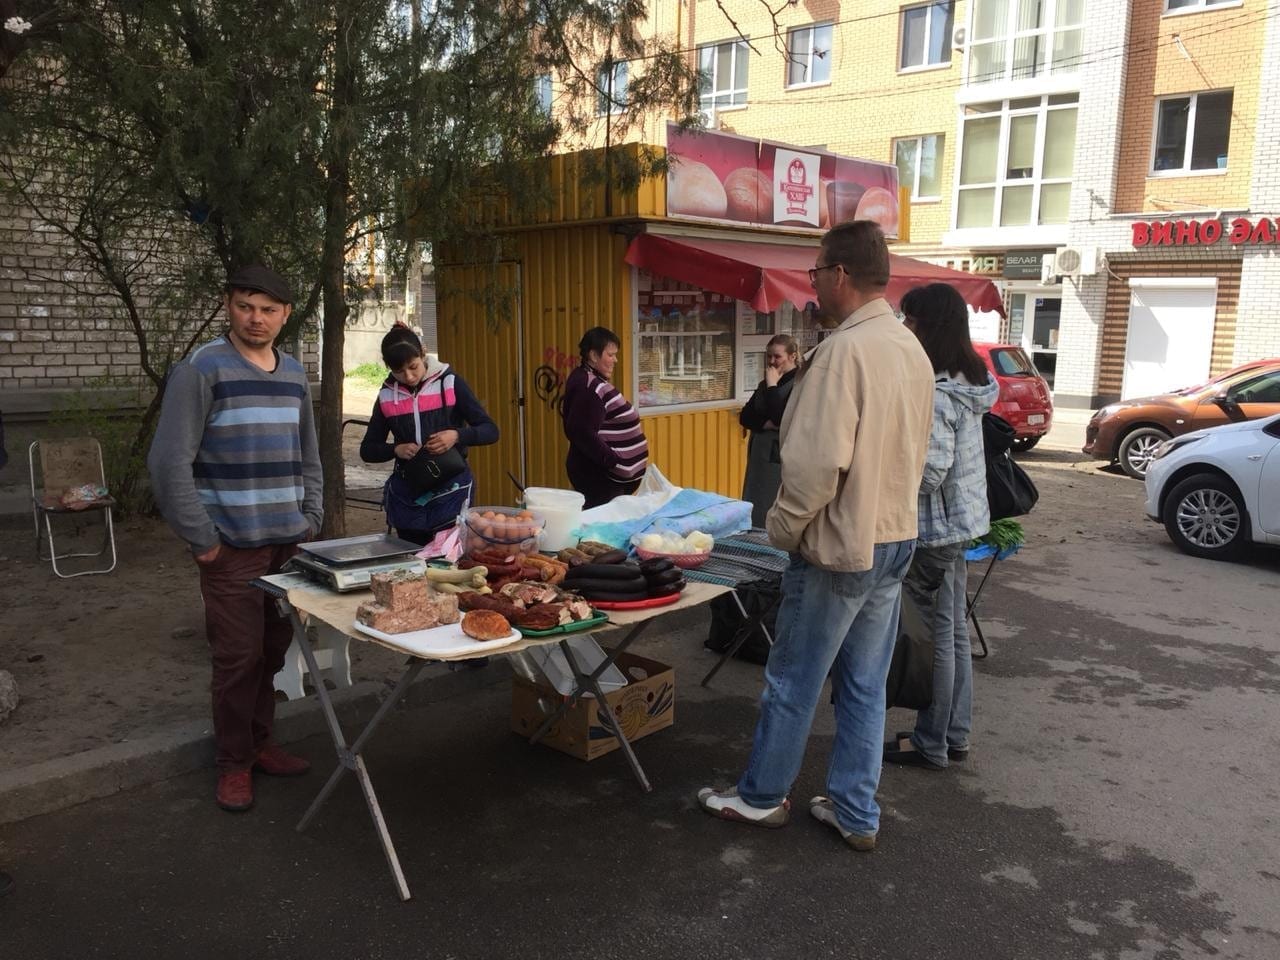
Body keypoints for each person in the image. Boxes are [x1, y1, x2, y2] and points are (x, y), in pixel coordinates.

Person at [696, 221, 935, 852]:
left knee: (793, 679)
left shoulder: (842, 353)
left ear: (841, 276)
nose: (814, 285)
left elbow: (812, 466)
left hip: (838, 546)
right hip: (892, 538)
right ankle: (856, 810)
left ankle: (760, 796)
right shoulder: (908, 347)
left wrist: (779, 529)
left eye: (817, 273)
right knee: (863, 684)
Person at [148, 264, 323, 813]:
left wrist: (311, 515)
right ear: (229, 305)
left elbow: (310, 454)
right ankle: (232, 763)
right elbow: (168, 461)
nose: (257, 318)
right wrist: (203, 539)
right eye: (246, 305)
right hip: (231, 549)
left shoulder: (294, 374)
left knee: (273, 650)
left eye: (269, 309)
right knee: (237, 658)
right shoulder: (202, 369)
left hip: (286, 547)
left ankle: (260, 743)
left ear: (286, 316)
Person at [883, 283, 998, 770]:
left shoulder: (938, 392)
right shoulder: (969, 378)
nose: (906, 328)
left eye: (911, 321)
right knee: (952, 636)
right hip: (964, 523)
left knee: (938, 638)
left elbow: (930, 474)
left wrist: (885, 470)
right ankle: (954, 735)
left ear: (930, 328)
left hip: (936, 530)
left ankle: (932, 742)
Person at [359, 324, 498, 545]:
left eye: (413, 367)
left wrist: (456, 435)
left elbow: (491, 430)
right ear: (388, 367)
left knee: (448, 561)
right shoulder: (386, 396)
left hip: (452, 490)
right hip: (409, 495)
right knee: (411, 562)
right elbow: (367, 450)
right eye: (399, 371)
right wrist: (396, 449)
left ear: (422, 353)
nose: (409, 376)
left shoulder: (450, 384)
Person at [560, 326, 649, 508]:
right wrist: (612, 460)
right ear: (593, 356)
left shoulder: (591, 380)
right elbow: (580, 431)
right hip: (601, 479)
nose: (615, 360)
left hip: (608, 480)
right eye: (610, 355)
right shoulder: (588, 387)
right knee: (603, 531)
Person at [739, 334, 801, 528]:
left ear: (792, 356)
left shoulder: (799, 385)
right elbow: (745, 416)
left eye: (777, 356)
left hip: (779, 456)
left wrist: (773, 386)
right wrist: (764, 424)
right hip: (758, 453)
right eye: (769, 357)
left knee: (771, 502)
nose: (772, 362)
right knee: (754, 499)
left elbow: (781, 418)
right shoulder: (764, 384)